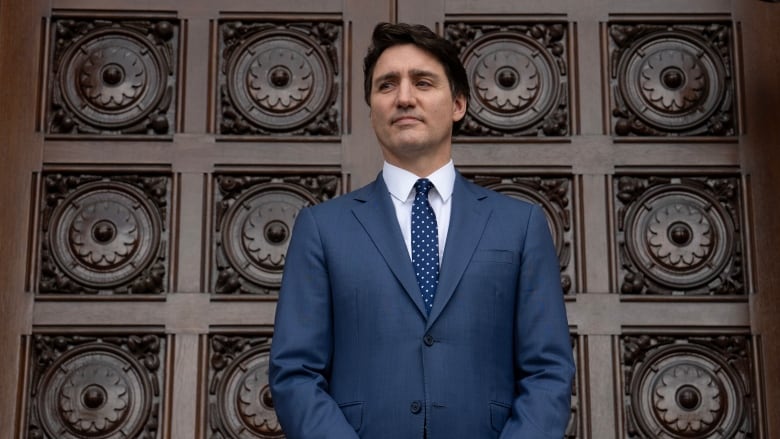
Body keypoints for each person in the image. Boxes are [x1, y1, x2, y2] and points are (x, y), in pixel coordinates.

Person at [269, 22, 575, 439]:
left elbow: (548, 371)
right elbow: (295, 374)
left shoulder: (520, 226)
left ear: (459, 104)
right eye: (387, 85)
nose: (404, 97)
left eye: (424, 82)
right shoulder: (321, 229)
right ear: (371, 107)